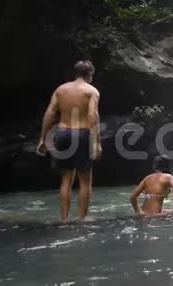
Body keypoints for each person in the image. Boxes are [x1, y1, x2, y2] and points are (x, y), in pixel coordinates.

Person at [37, 60, 101, 223]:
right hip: (82, 133)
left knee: (66, 179)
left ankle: (64, 219)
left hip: (63, 133)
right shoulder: (91, 91)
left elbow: (50, 113)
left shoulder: (61, 90)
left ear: (75, 73)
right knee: (85, 180)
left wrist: (43, 138)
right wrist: (96, 142)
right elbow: (93, 116)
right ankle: (82, 219)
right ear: (89, 74)